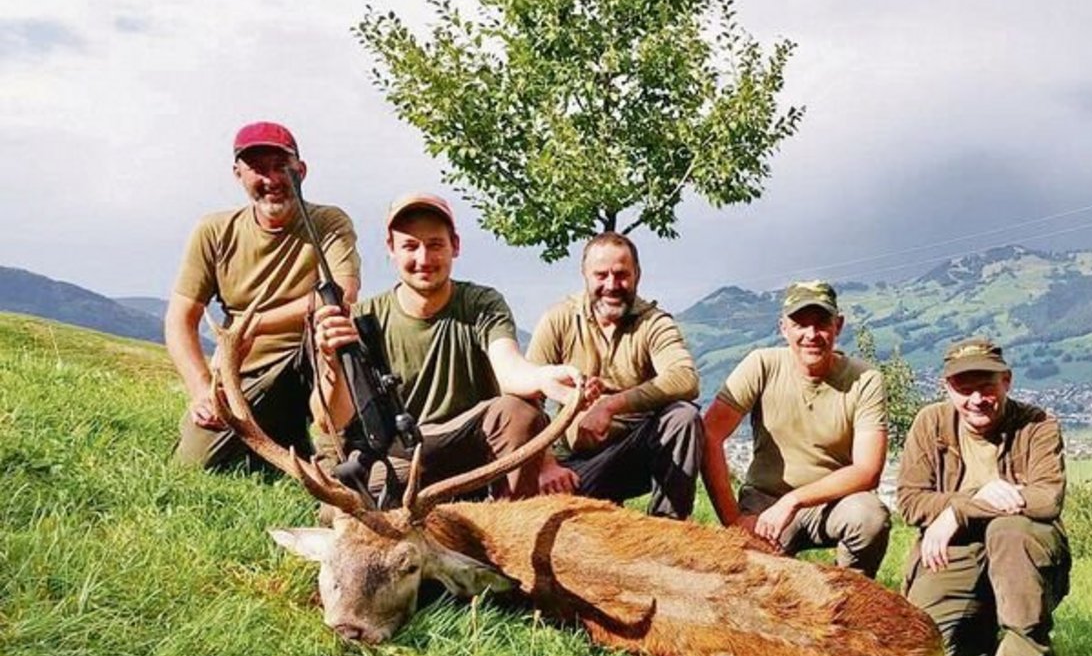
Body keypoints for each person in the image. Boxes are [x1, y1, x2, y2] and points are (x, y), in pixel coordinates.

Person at [311, 193, 586, 501]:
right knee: (341, 508)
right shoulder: (361, 320)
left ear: (455, 245)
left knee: (517, 411)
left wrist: (543, 378)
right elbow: (330, 420)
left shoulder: (482, 304)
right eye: (410, 246)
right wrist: (332, 363)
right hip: (400, 457)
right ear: (391, 249)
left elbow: (510, 368)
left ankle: (509, 532)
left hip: (471, 449)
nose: (424, 259)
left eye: (435, 244)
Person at [167, 121, 361, 470]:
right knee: (194, 463)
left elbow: (342, 294)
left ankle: (334, 453)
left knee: (336, 336)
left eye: (281, 167)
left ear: (301, 171)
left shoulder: (329, 222)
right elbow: (180, 319)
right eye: (257, 169)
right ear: (237, 174)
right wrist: (201, 388)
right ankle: (282, 439)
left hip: (313, 358)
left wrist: (255, 324)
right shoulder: (214, 231)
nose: (271, 180)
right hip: (248, 372)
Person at [896, 337, 1071, 656]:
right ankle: (980, 636)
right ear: (947, 388)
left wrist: (959, 511)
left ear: (1006, 381)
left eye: (986, 386)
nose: (976, 399)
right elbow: (911, 502)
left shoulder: (1037, 425)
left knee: (1010, 529)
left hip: (1020, 550)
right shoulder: (931, 424)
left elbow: (1047, 498)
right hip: (954, 551)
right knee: (927, 655)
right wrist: (974, 501)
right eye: (964, 388)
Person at [701, 280, 890, 576]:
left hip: (831, 502)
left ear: (838, 326)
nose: (811, 335)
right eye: (800, 324)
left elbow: (868, 470)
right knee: (757, 584)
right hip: (764, 501)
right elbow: (710, 433)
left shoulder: (865, 379)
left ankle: (853, 595)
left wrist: (794, 501)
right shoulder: (761, 365)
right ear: (783, 328)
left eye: (821, 323)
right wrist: (734, 520)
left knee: (869, 517)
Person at [525, 232, 703, 519]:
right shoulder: (558, 319)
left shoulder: (654, 323)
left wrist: (610, 405)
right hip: (572, 463)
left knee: (683, 416)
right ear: (584, 275)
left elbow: (685, 378)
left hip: (636, 454)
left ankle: (669, 530)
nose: (611, 285)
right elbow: (526, 392)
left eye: (621, 275)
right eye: (601, 275)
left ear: (637, 276)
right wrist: (545, 464)